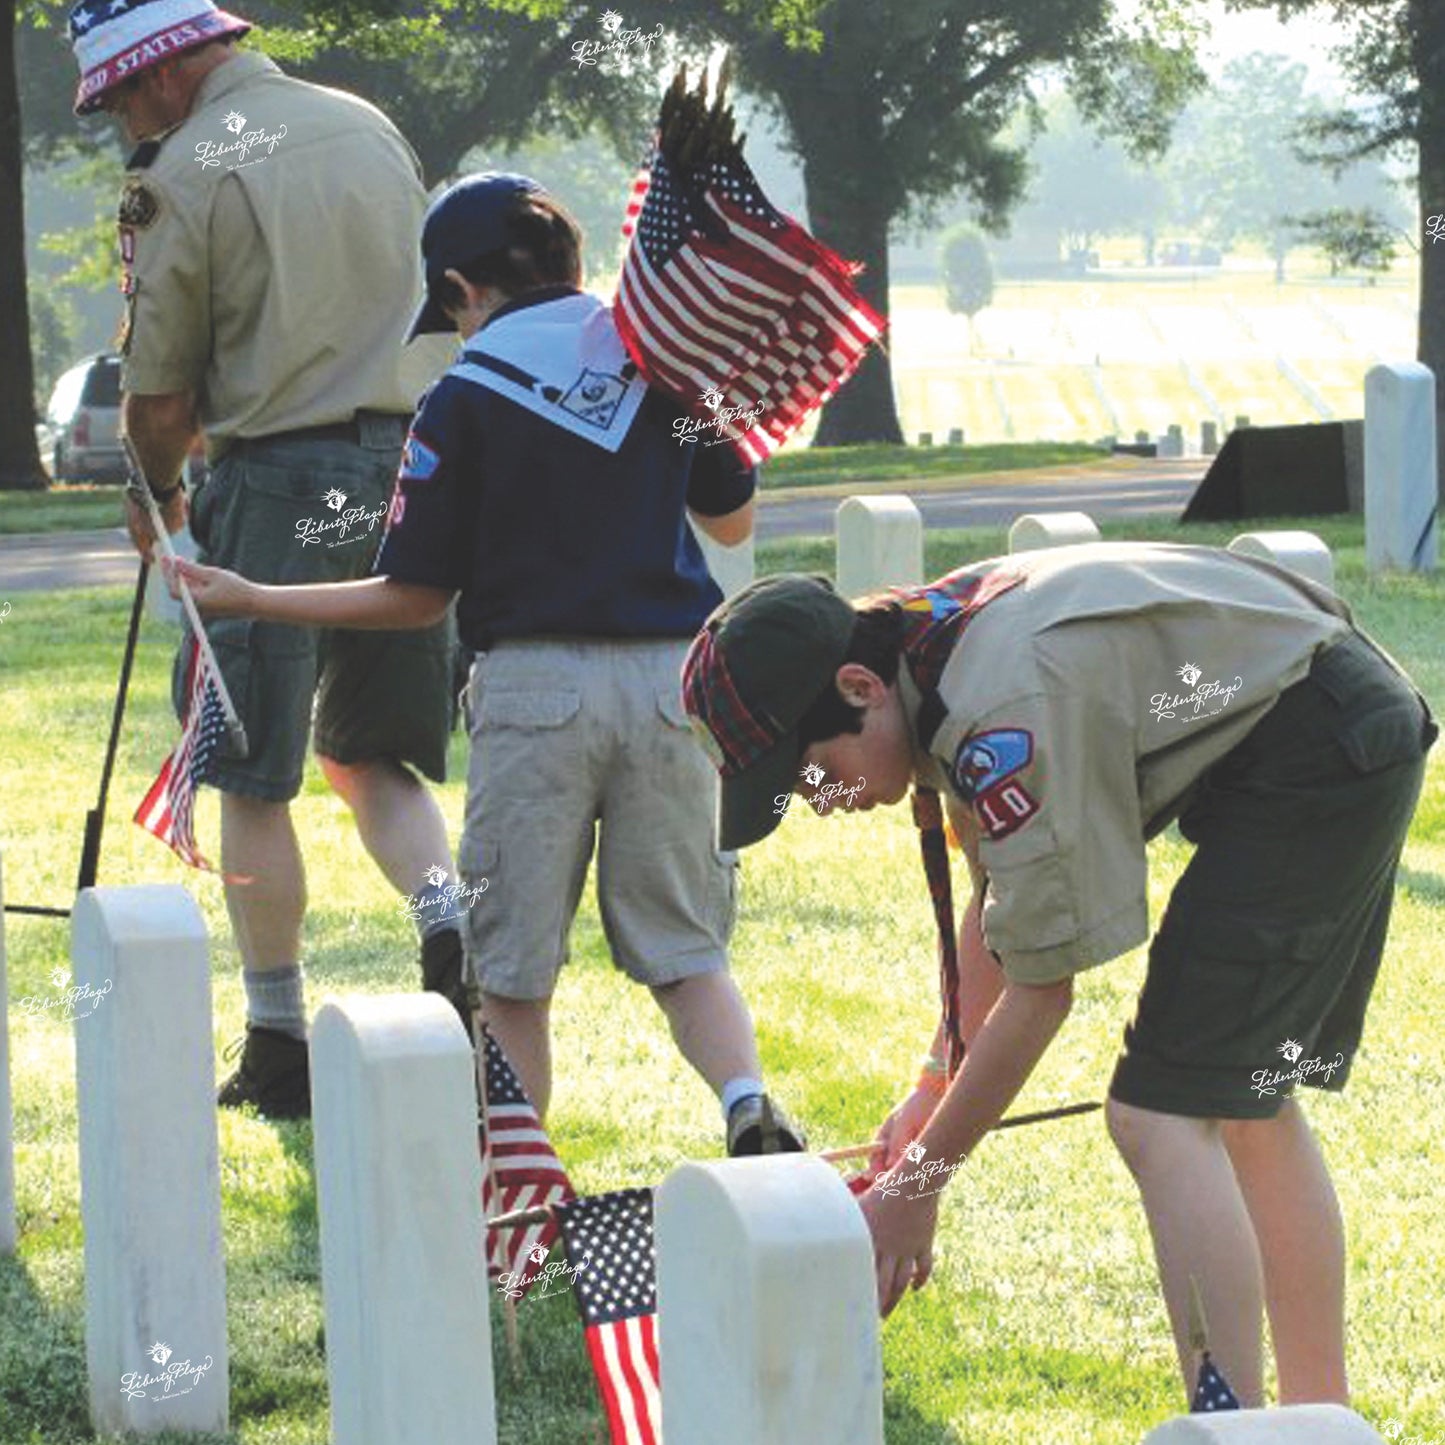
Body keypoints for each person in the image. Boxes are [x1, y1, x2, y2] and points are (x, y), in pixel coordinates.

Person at [680, 543, 1436, 1406]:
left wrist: (916, 1189)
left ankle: (1235, 1424)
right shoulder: (929, 652)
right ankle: (1314, 1420)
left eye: (807, 769)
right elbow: (999, 917)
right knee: (1242, 1101)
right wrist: (932, 1087)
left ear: (859, 689)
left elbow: (1042, 990)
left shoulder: (997, 708)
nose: (813, 797)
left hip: (1315, 749)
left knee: (1157, 1113)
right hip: (1327, 719)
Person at [166, 171, 804, 1155]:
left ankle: (513, 1187)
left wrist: (255, 594)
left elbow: (414, 596)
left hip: (534, 691)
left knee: (510, 978)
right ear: (571, 260)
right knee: (686, 952)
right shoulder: (665, 360)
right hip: (674, 684)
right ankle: (745, 1101)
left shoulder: (461, 398)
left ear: (464, 288)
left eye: (451, 308)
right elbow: (731, 512)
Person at [69, 0, 463, 1119]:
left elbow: (160, 384)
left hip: (275, 479)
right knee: (376, 754)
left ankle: (276, 1034)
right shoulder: (366, 125)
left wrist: (154, 493)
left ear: (166, 70)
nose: (121, 119)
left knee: (248, 771)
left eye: (121, 95)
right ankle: (446, 917)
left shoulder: (183, 171)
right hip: (406, 468)